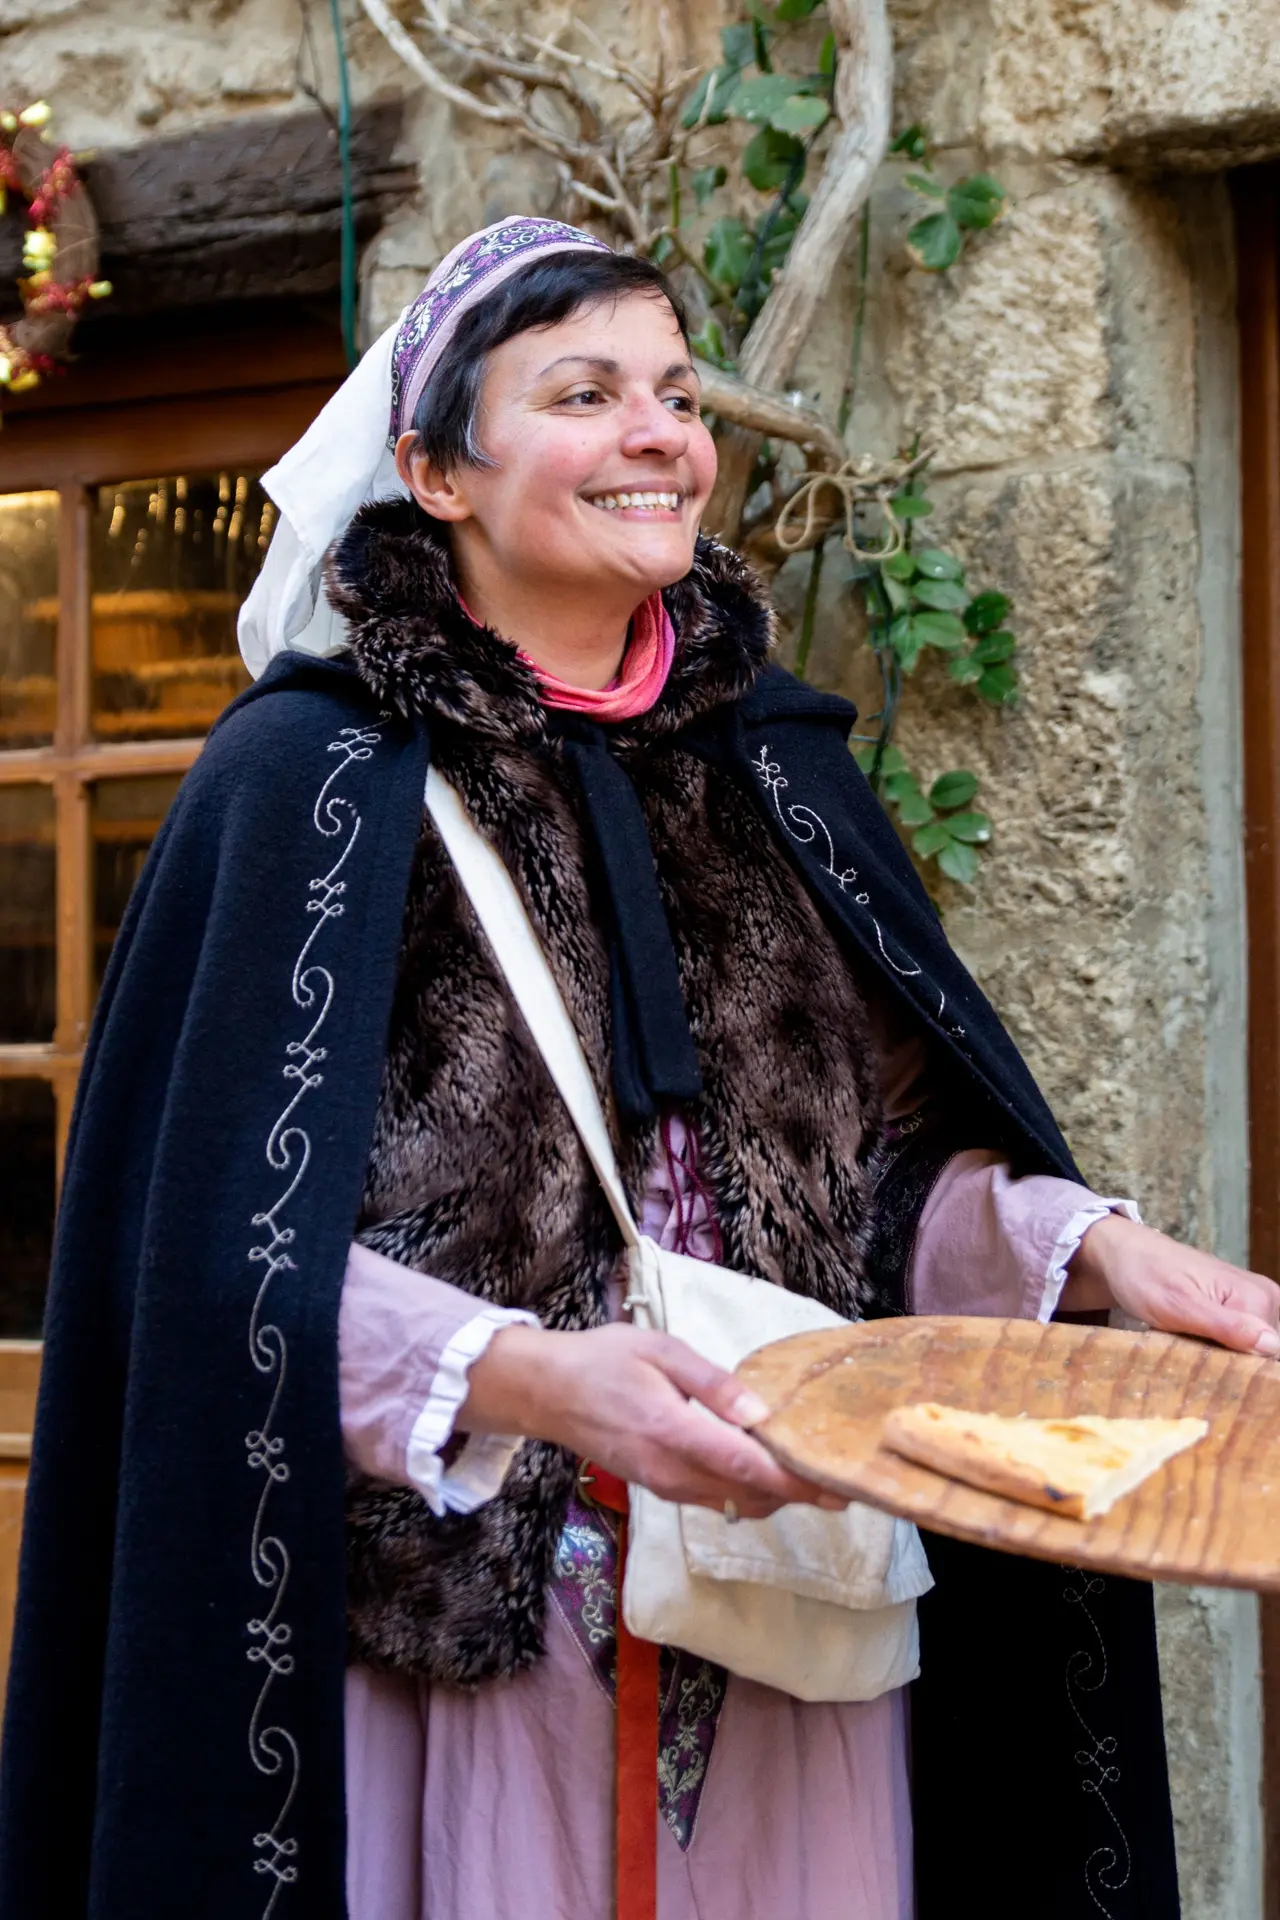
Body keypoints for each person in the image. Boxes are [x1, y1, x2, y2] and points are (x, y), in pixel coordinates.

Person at [2, 216, 1277, 1920]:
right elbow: (217, 1255)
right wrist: (527, 1377)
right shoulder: (307, 789)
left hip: (796, 1632)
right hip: (480, 1662)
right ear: (434, 470)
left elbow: (883, 1182)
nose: (660, 433)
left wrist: (1085, 1245)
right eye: (583, 392)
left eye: (676, 393)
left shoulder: (781, 772)